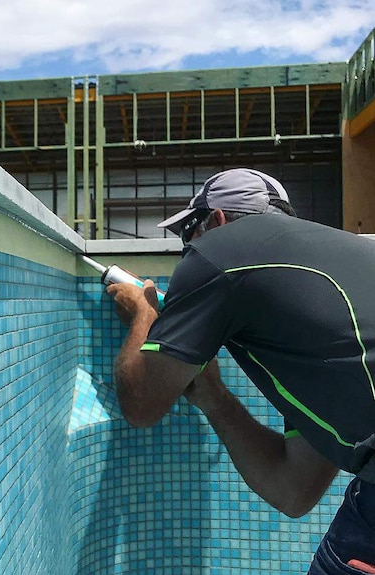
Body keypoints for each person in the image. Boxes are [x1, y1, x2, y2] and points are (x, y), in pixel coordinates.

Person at [107, 168, 375, 575]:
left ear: (216, 220)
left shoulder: (219, 250)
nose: (188, 252)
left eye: (188, 234)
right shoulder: (321, 312)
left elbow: (141, 404)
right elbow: (294, 489)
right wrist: (214, 397)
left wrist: (144, 313)